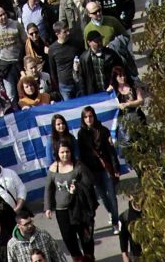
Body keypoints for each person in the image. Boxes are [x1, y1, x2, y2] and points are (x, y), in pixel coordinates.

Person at [44, 141, 96, 261]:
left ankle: (89, 259)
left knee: (85, 237)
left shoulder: (78, 166)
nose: (65, 154)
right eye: (62, 152)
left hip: (78, 209)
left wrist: (78, 186)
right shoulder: (54, 168)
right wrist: (47, 207)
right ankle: (77, 259)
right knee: (68, 238)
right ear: (57, 153)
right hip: (62, 211)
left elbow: (89, 183)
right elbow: (48, 189)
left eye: (67, 151)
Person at [77, 105, 121, 233]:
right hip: (93, 170)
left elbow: (111, 151)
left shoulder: (103, 130)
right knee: (102, 196)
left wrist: (116, 168)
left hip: (106, 168)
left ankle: (115, 222)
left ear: (94, 116)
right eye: (85, 117)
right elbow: (82, 155)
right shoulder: (81, 134)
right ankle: (111, 212)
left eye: (90, 116)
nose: (88, 119)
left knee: (112, 195)